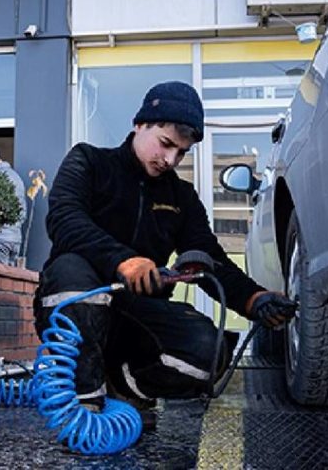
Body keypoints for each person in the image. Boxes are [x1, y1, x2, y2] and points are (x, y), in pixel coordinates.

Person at [34, 81, 297, 420]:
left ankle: (124, 387)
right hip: (76, 302)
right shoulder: (89, 162)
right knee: (71, 270)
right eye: (166, 144)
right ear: (140, 124)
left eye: (182, 152)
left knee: (209, 350)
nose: (171, 159)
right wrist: (122, 260)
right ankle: (82, 404)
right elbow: (64, 220)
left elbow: (209, 259)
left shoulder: (181, 197)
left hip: (135, 315)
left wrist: (254, 299)